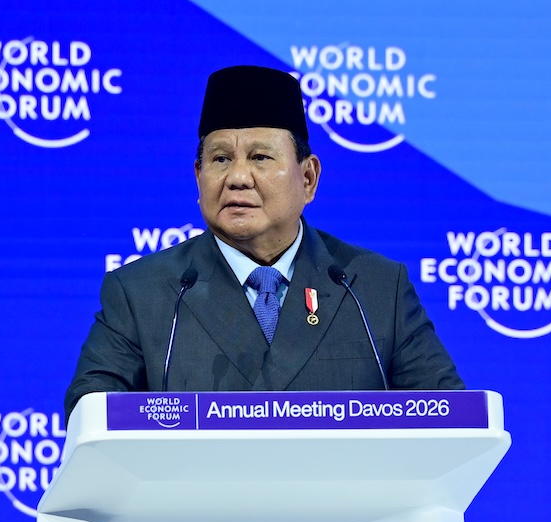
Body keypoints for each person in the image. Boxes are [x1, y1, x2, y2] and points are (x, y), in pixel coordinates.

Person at [65, 65, 462, 418]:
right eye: (221, 159)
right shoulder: (141, 293)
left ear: (308, 178)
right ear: (198, 177)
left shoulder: (373, 289)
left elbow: (451, 419)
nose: (238, 177)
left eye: (260, 158)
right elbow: (91, 414)